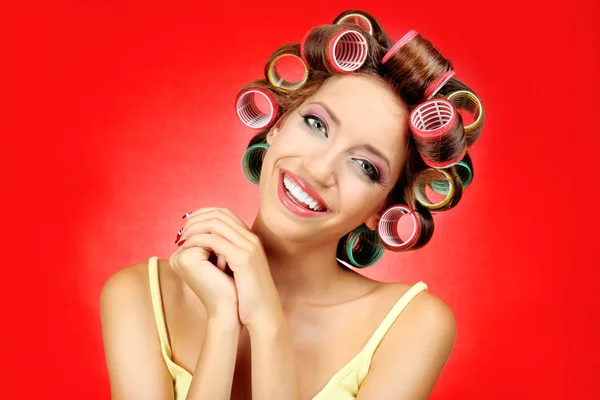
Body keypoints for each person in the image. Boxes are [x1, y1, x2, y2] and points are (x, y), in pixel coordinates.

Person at [100, 9, 485, 400]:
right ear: (279, 124)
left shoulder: (412, 326)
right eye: (316, 125)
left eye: (365, 166)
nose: (318, 170)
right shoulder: (140, 296)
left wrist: (266, 320)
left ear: (382, 209)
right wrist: (223, 322)